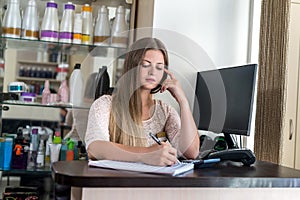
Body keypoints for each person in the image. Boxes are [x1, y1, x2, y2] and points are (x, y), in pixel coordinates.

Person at [85, 37, 199, 166]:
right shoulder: (105, 105)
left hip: (152, 184)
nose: (152, 72)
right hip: (116, 183)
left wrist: (183, 101)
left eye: (159, 67)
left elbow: (191, 152)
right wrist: (145, 154)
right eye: (145, 65)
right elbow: (94, 148)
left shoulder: (165, 111)